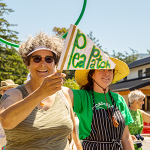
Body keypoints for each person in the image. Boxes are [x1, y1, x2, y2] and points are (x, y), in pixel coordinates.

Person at [0, 32, 82, 150]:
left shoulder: (64, 94)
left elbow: (74, 137)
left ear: (55, 65)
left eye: (49, 59)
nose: (43, 63)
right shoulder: (13, 94)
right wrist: (41, 92)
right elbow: (6, 122)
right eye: (37, 58)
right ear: (27, 65)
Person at [64, 56, 135, 150]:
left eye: (110, 69)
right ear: (92, 75)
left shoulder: (119, 99)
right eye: (101, 68)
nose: (107, 73)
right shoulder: (83, 97)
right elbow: (61, 91)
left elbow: (126, 137)